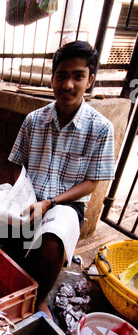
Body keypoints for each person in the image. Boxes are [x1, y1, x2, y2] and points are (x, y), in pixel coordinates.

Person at [7, 41, 115, 319]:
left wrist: (50, 203)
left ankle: (41, 297)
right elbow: (16, 163)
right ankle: (13, 281)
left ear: (89, 80)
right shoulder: (34, 120)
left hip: (66, 204)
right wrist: (16, 196)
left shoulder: (101, 128)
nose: (68, 84)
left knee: (52, 242)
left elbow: (92, 182)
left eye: (78, 76)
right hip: (31, 197)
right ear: (52, 77)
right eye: (61, 75)